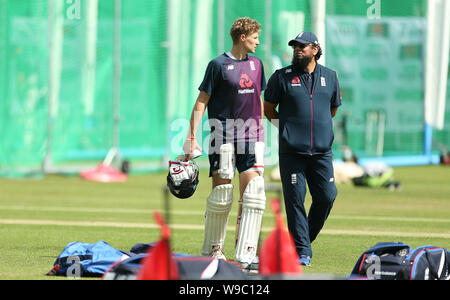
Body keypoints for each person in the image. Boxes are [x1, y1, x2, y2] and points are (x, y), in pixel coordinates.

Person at [183, 17, 267, 269]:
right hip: (222, 136)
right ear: (243, 37)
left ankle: (247, 253)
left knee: (253, 196)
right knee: (221, 195)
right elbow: (202, 100)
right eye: (255, 38)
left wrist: (261, 131)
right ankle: (213, 249)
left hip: (251, 137)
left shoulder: (257, 64)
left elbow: (258, 98)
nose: (258, 42)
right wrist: (191, 136)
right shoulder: (217, 64)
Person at [264, 32, 342, 266]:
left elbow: (332, 110)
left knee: (327, 197)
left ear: (315, 49)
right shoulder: (281, 77)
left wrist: (314, 129)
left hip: (321, 153)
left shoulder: (330, 76)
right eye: (295, 47)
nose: (297, 50)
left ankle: (301, 241)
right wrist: (289, 129)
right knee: (296, 200)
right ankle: (302, 251)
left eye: (302, 46)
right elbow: (268, 109)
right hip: (292, 153)